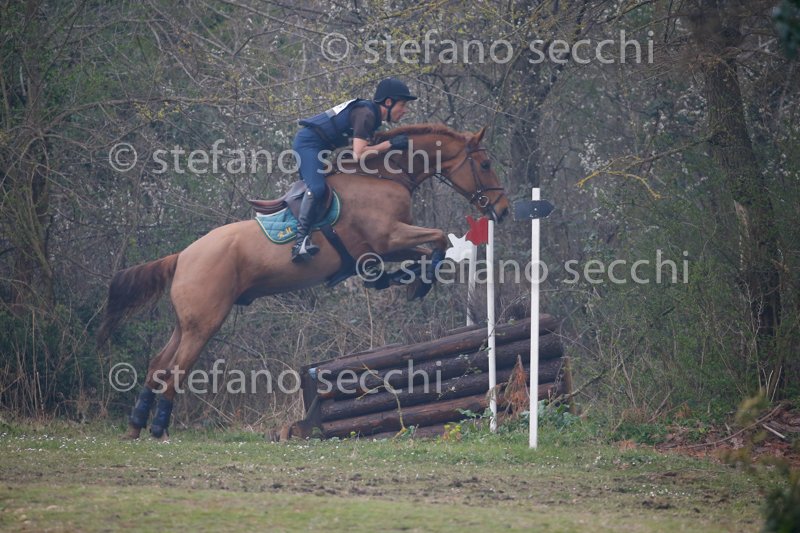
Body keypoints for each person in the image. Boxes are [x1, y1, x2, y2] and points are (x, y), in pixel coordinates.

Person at [290, 77, 417, 262]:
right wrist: (390, 144)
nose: (405, 110)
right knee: (317, 188)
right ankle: (299, 243)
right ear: (388, 102)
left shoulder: (370, 115)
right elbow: (359, 154)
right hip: (308, 145)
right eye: (403, 105)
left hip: (321, 148)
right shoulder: (366, 114)